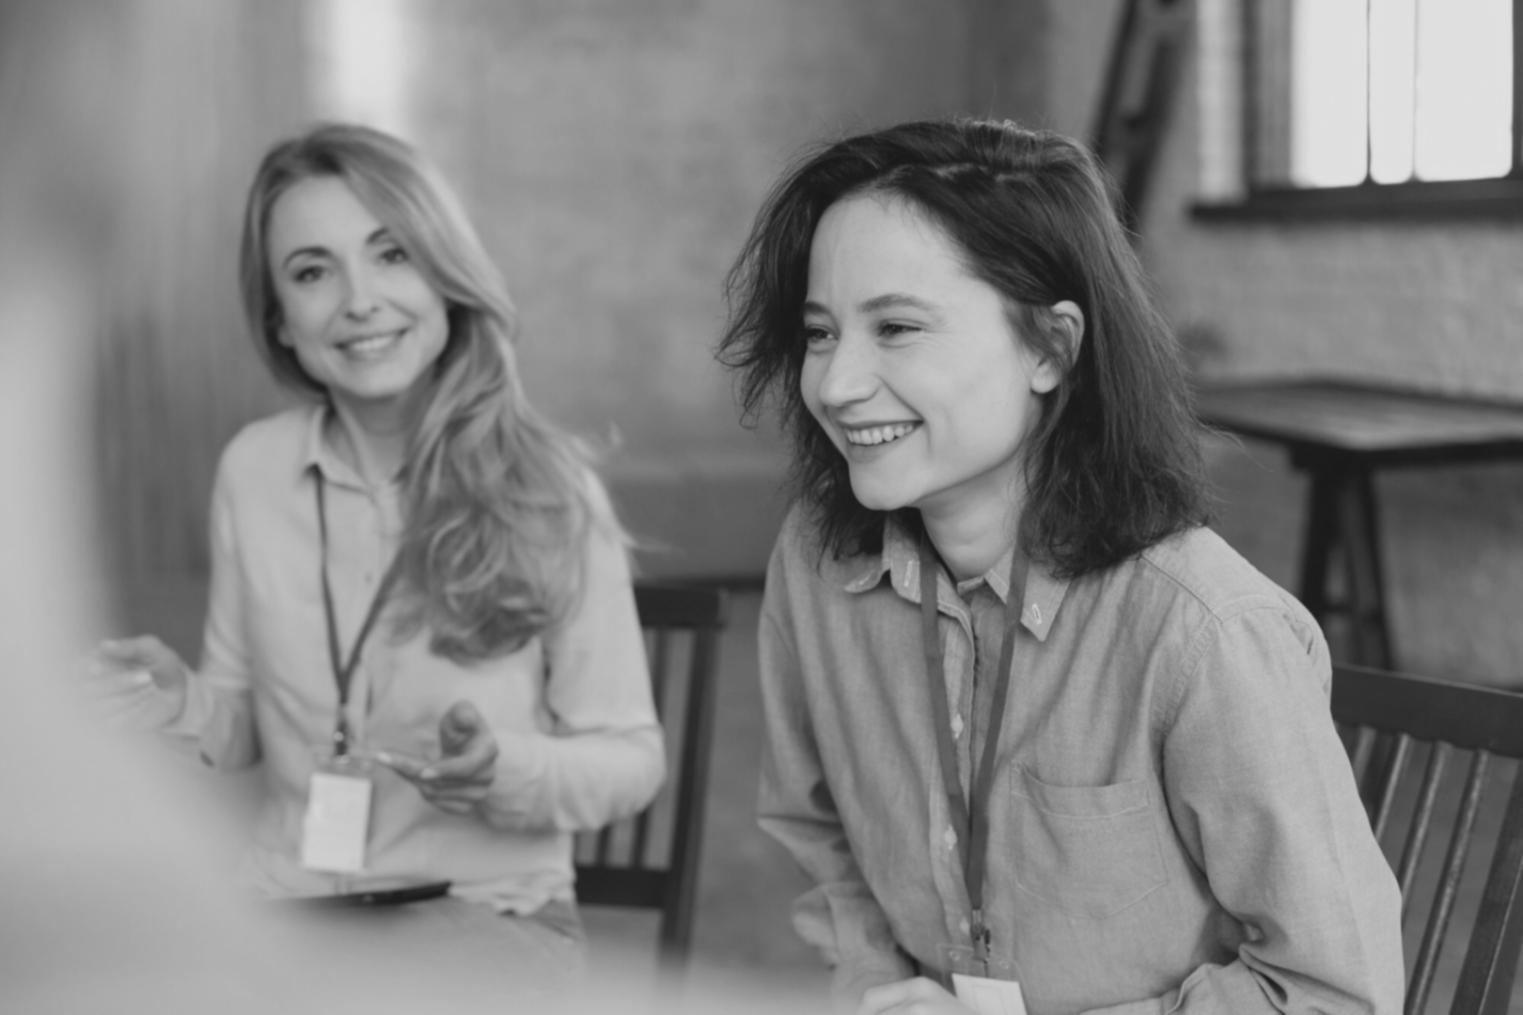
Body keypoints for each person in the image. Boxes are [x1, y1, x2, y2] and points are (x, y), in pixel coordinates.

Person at [719, 118, 1403, 1014]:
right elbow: (822, 840)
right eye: (818, 333)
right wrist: (882, 988)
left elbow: (1334, 995)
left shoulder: (1205, 632)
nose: (836, 383)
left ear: (1049, 348)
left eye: (895, 327)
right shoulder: (816, 567)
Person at [88, 123, 664, 968]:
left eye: (391, 254)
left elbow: (631, 762)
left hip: (489, 914)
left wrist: (501, 768)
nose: (359, 300)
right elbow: (245, 720)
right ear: (281, 321)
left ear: (445, 275)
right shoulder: (252, 469)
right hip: (286, 908)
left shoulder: (550, 490)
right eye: (313, 271)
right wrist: (180, 702)